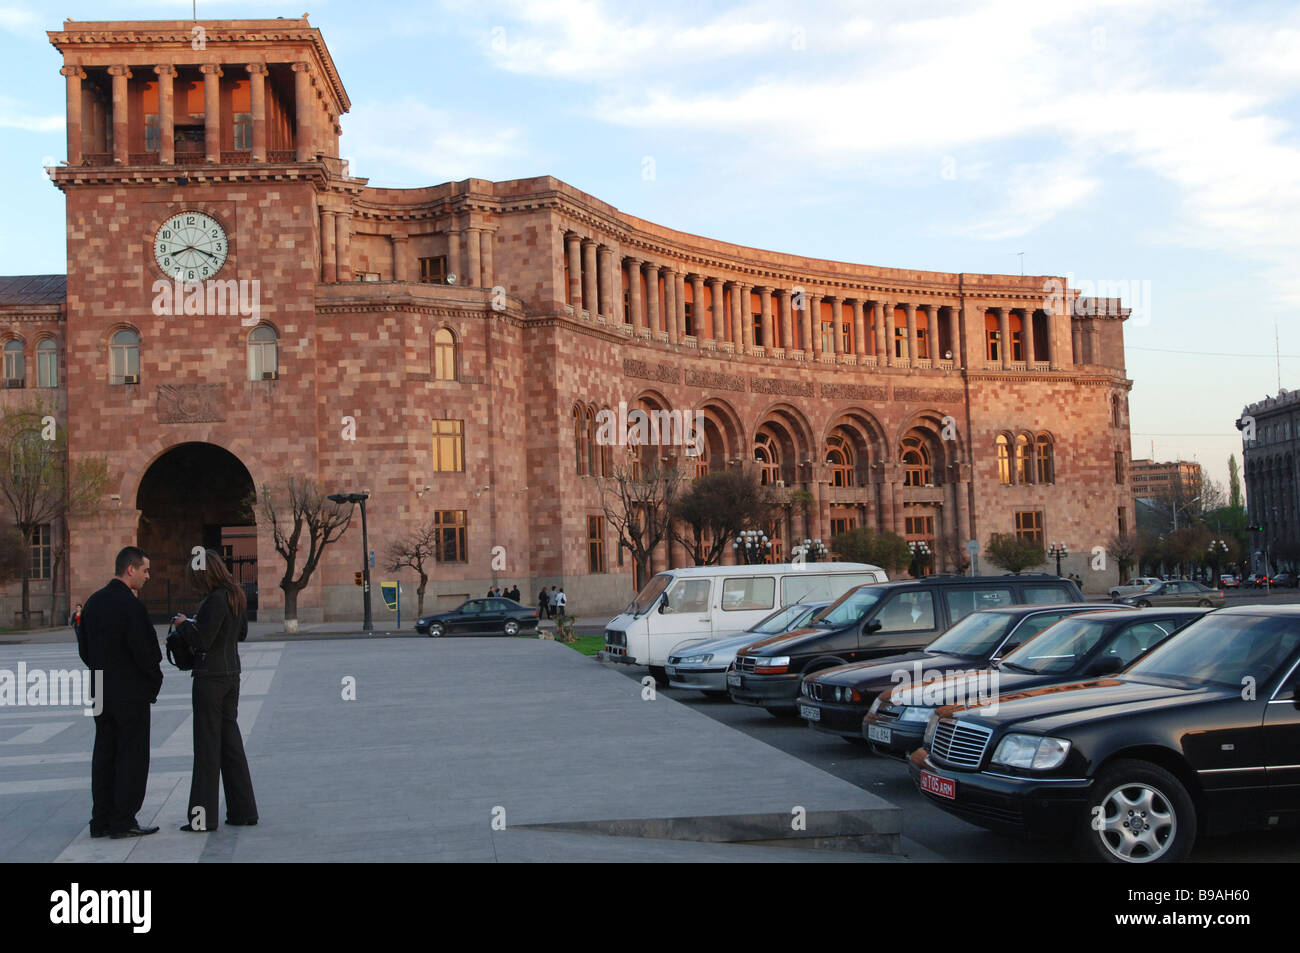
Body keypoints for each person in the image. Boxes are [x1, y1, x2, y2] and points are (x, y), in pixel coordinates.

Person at [77, 547, 163, 839]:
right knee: (131, 755)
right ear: (130, 569)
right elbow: (147, 652)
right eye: (145, 570)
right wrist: (153, 682)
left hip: (100, 688)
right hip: (129, 692)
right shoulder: (130, 605)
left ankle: (100, 820)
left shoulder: (93, 602)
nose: (147, 576)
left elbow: (84, 649)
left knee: (104, 752)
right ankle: (122, 820)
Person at [173, 549, 258, 832]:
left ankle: (202, 818)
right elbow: (242, 633)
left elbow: (202, 641)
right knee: (231, 746)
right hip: (231, 674)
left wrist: (184, 625)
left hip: (210, 679)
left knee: (207, 749)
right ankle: (243, 811)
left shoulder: (215, 599)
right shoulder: (236, 595)